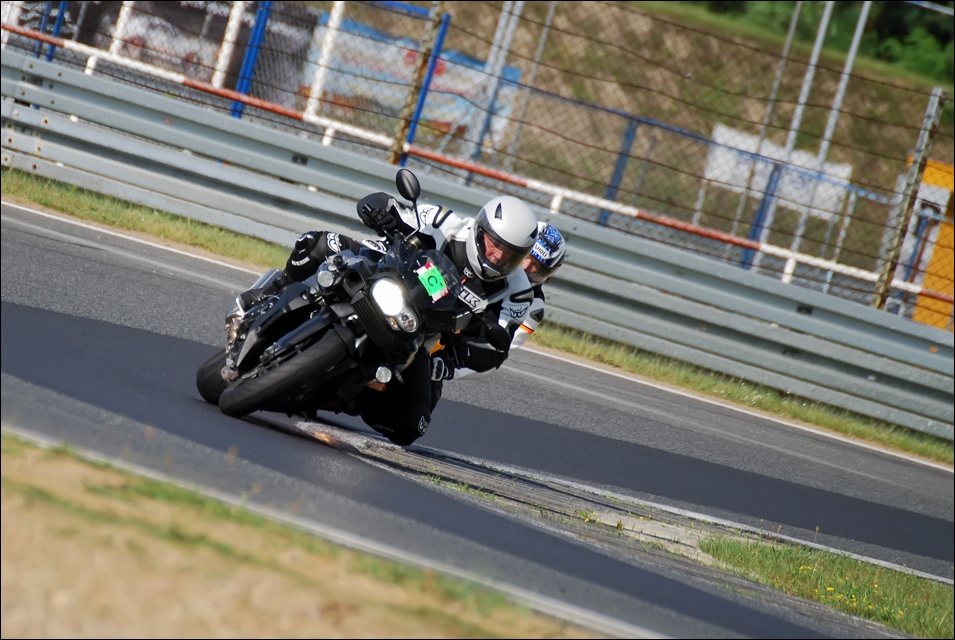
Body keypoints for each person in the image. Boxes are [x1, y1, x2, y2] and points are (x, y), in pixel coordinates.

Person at [233, 189, 540, 446]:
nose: (498, 256)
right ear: (480, 230)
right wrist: (381, 213)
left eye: (511, 254)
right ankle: (264, 296)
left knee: (410, 426)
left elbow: (495, 349)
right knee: (318, 243)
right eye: (495, 244)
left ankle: (347, 393)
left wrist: (450, 362)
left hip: (422, 334)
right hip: (381, 273)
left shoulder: (516, 293)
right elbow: (386, 204)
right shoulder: (445, 223)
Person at [451, 221, 566, 380]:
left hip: (456, 340)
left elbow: (497, 351)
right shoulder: (479, 250)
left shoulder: (533, 308)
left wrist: (449, 365)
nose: (525, 268)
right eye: (526, 256)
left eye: (537, 268)